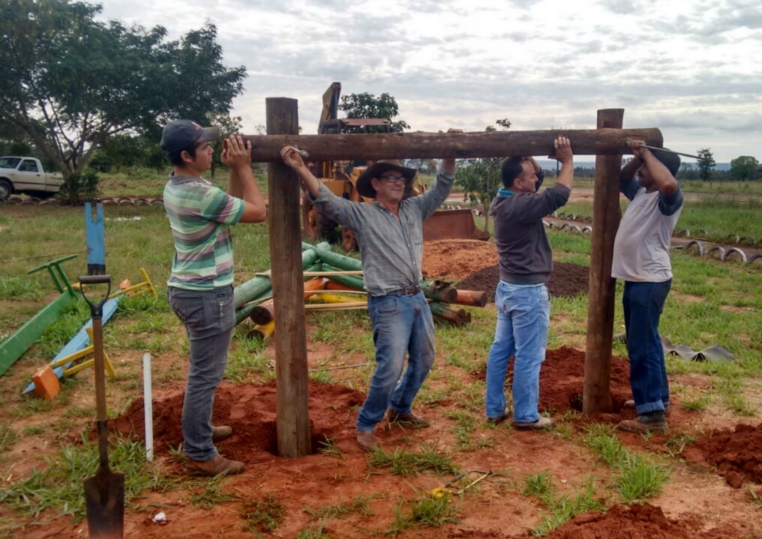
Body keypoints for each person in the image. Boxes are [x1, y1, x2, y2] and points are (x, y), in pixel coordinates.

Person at [280, 141, 458, 451]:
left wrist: (451, 152)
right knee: (390, 368)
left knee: (425, 360)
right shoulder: (362, 214)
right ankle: (366, 424)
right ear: (375, 184)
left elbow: (442, 186)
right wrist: (299, 170)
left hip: (417, 298)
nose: (399, 182)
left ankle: (401, 409)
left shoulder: (415, 209)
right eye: (391, 177)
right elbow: (326, 201)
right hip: (388, 303)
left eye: (402, 178)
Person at [161, 121, 267, 475]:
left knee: (202, 373)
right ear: (186, 155)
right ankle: (199, 454)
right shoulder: (200, 193)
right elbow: (256, 211)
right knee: (205, 377)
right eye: (204, 147)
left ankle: (200, 432)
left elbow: (231, 207)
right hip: (206, 295)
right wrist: (243, 166)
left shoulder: (183, 185)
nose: (211, 150)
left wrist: (234, 171)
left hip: (189, 290)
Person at [485, 137, 574, 430]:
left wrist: (525, 156)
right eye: (531, 176)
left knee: (501, 349)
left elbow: (539, 180)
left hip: (508, 288)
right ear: (518, 183)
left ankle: (495, 408)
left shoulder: (503, 199)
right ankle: (525, 415)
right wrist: (568, 160)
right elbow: (558, 195)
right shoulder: (520, 206)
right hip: (527, 294)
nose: (537, 177)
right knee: (529, 356)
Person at [612, 140, 683, 435]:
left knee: (641, 346)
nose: (640, 169)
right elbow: (619, 179)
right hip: (638, 279)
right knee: (646, 341)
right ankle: (657, 400)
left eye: (645, 166)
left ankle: (652, 416)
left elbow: (667, 183)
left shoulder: (668, 198)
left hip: (649, 280)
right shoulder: (642, 192)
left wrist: (649, 155)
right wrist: (637, 155)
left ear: (658, 167)